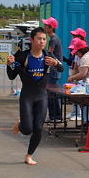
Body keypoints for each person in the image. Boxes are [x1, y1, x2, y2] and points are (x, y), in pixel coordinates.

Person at [6, 26, 60, 165]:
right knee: (27, 129)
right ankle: (20, 125)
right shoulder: (23, 56)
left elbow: (61, 68)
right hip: (27, 96)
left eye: (44, 39)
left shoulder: (48, 55)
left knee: (38, 128)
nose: (42, 41)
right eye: (39, 39)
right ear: (32, 40)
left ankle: (29, 155)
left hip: (42, 96)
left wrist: (55, 63)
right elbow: (11, 75)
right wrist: (9, 64)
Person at [42, 17, 63, 121]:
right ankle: (54, 116)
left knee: (51, 94)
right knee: (52, 93)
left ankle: (55, 116)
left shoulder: (53, 40)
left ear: (51, 28)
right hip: (55, 69)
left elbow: (50, 53)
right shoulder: (55, 39)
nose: (44, 27)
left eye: (46, 25)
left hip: (53, 70)